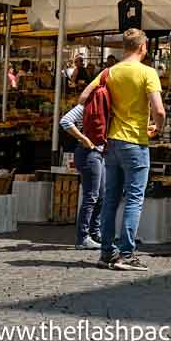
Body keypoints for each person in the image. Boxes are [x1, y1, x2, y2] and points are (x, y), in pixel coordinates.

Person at [95, 29, 164, 272]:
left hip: (111, 142)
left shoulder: (109, 71)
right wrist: (159, 127)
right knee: (134, 199)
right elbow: (160, 110)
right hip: (135, 142)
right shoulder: (147, 72)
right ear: (143, 47)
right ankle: (125, 254)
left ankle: (106, 253)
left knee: (110, 199)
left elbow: (84, 97)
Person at [59, 76, 106, 249]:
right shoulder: (85, 106)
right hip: (88, 154)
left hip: (99, 154)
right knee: (91, 196)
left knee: (101, 195)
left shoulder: (106, 107)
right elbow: (65, 121)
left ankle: (95, 233)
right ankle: (83, 236)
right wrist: (83, 138)